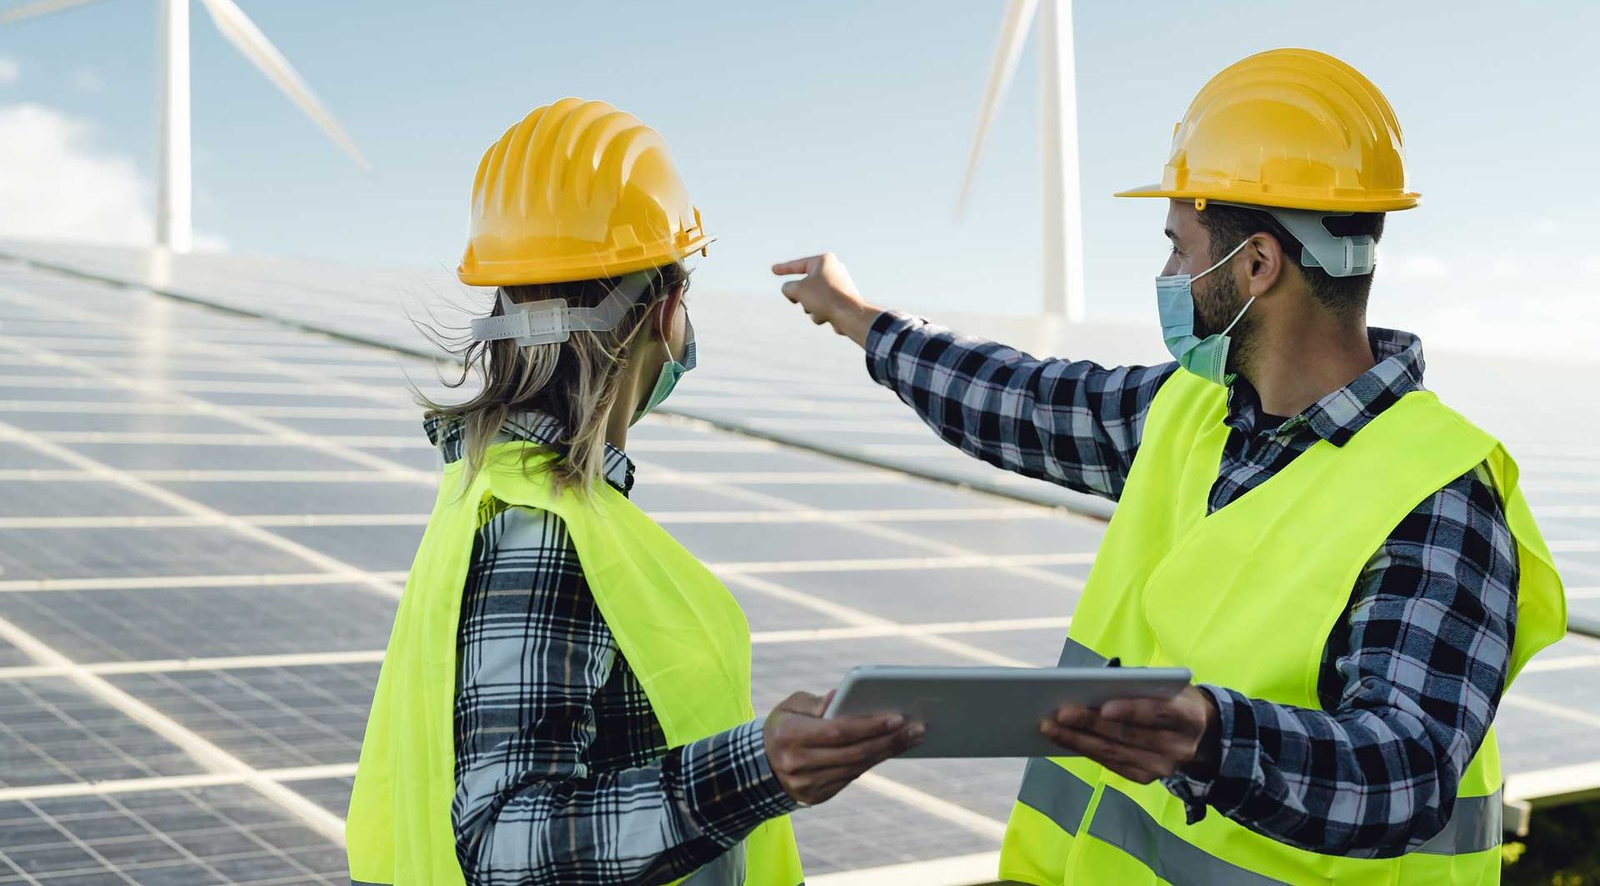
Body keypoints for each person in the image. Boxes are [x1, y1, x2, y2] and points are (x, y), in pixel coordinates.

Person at [773, 49, 1566, 883]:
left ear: (1257, 266)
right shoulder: (1193, 414)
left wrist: (1211, 738)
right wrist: (861, 319)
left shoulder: (1437, 495)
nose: (1168, 277)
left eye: (1179, 250)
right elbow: (1020, 399)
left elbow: (1406, 767)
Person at [346, 98, 922, 886]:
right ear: (664, 310)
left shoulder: (503, 496)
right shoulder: (536, 530)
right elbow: (501, 846)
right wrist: (759, 768)